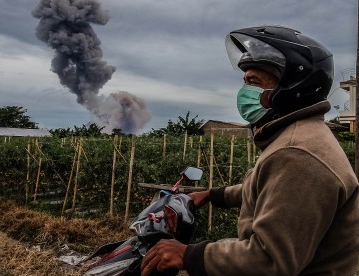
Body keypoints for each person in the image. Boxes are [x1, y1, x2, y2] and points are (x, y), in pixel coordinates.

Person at [141, 25, 359, 276]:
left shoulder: (297, 154)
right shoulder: (297, 137)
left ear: (291, 88)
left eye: (254, 82)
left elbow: (269, 260)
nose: (245, 91)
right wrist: (212, 195)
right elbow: (270, 189)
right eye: (245, 81)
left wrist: (188, 254)